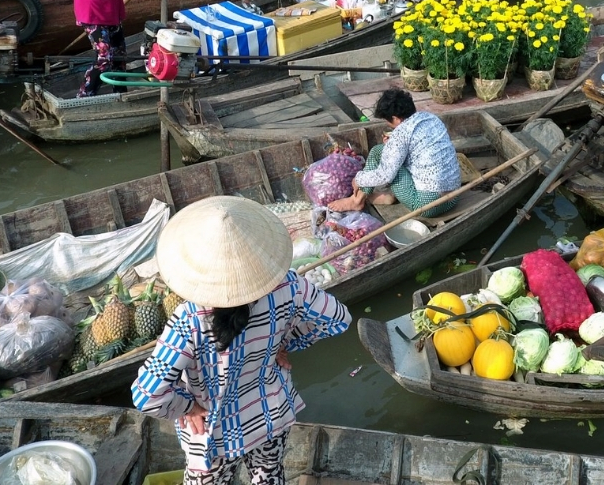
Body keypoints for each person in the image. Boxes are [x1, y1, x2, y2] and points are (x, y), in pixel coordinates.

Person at [132, 195, 350, 485]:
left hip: (213, 432)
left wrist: (189, 407)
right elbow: (338, 319)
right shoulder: (288, 284)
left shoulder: (190, 318)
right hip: (269, 416)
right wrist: (288, 341)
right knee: (268, 478)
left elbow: (147, 394)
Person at [327, 88, 461, 216]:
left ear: (395, 118)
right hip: (453, 197)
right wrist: (392, 146)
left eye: (387, 120)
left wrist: (359, 179)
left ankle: (356, 201)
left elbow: (385, 175)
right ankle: (386, 198)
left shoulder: (401, 134)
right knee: (391, 156)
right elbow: (419, 150)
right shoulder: (431, 118)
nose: (388, 124)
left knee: (378, 151)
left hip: (427, 206)